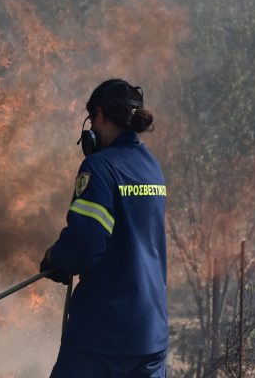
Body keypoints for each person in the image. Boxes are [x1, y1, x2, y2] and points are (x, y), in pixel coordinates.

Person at [40, 78, 168, 377]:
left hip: (104, 334)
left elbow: (85, 244)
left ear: (99, 115)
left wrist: (55, 259)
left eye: (91, 120)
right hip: (151, 331)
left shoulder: (100, 166)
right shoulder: (151, 166)